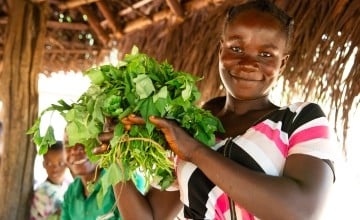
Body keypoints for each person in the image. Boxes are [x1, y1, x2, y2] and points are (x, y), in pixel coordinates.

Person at [98, 0, 337, 219]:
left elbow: (301, 211)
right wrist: (114, 156)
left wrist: (194, 151)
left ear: (282, 63)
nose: (248, 64)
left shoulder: (300, 120)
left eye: (265, 54)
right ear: (220, 49)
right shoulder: (191, 127)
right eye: (236, 48)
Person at [30, 141, 71, 220]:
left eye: (60, 163)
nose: (55, 168)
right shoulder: (41, 193)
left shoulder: (71, 186)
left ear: (67, 163)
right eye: (49, 163)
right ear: (44, 164)